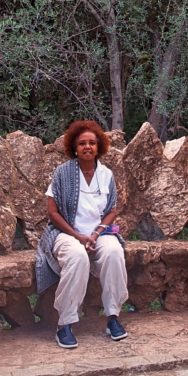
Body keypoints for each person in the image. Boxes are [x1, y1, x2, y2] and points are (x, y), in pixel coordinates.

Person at [35, 120, 129, 349]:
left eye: (92, 143)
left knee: (114, 252)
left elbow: (112, 209)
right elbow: (52, 211)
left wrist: (95, 235)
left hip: (97, 233)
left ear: (99, 147)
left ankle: (113, 317)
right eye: (82, 143)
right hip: (65, 232)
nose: (87, 147)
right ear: (74, 147)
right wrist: (79, 237)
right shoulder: (62, 173)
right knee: (77, 256)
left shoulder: (106, 174)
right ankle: (64, 324)